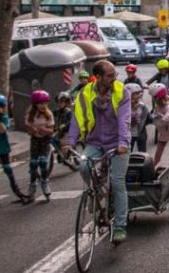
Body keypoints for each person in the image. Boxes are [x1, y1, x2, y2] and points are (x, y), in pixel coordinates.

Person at [63, 61, 129, 241]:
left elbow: (124, 120)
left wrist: (123, 143)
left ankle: (120, 225)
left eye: (115, 74)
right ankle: (98, 191)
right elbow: (77, 119)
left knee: (117, 182)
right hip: (95, 143)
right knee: (84, 166)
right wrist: (70, 142)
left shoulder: (121, 91)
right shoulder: (85, 93)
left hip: (117, 143)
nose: (114, 78)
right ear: (98, 77)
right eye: (109, 75)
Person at [0, 94, 32, 208]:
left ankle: (17, 191)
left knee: (7, 169)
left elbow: (3, 130)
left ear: (2, 108)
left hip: (3, 148)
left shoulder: (4, 118)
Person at [25, 89, 56, 201]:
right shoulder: (30, 115)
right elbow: (28, 129)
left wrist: (44, 130)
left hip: (45, 140)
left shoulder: (48, 115)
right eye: (41, 103)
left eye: (45, 103)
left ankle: (44, 181)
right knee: (33, 163)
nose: (43, 106)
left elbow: (51, 130)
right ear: (35, 104)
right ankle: (32, 184)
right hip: (35, 140)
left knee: (43, 161)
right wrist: (32, 130)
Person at [126, 83, 151, 153]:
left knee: (143, 154)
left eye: (138, 93)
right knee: (127, 154)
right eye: (136, 94)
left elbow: (148, 119)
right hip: (128, 134)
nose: (138, 95)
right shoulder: (124, 107)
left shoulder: (142, 107)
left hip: (141, 133)